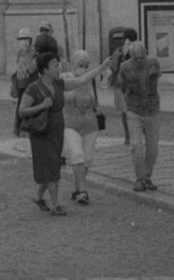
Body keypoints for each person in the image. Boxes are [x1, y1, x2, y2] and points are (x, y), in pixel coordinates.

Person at [20, 49, 113, 213]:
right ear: (46, 69)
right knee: (52, 167)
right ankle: (55, 205)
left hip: (57, 129)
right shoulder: (34, 88)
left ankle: (38, 198)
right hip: (41, 131)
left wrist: (102, 67)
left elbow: (83, 79)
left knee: (52, 166)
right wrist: (42, 105)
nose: (59, 68)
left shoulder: (60, 84)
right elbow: (22, 111)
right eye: (55, 65)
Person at [116, 38, 161, 192]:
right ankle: (140, 179)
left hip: (152, 109)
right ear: (131, 56)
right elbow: (121, 86)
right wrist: (129, 101)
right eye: (136, 58)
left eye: (142, 57)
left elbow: (157, 78)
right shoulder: (125, 67)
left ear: (146, 55)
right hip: (134, 109)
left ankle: (147, 176)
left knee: (153, 148)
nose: (139, 61)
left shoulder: (154, 62)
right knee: (136, 146)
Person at [62, 49, 102, 204]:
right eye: (81, 65)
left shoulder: (90, 81)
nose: (84, 69)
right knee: (77, 155)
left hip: (90, 125)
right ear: (73, 64)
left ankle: (76, 188)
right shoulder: (65, 78)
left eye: (86, 66)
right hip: (71, 124)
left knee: (87, 159)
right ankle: (83, 190)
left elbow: (94, 101)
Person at [108, 27, 138, 144]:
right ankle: (139, 134)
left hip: (121, 85)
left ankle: (127, 137)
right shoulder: (139, 49)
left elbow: (114, 68)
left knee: (124, 113)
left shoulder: (119, 51)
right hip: (135, 84)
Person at [9, 27, 36, 133]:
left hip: (30, 82)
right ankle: (19, 128)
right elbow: (18, 66)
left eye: (26, 39)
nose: (23, 42)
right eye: (21, 40)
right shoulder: (20, 52)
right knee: (20, 104)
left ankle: (28, 127)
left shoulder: (33, 52)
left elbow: (32, 69)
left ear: (30, 40)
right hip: (21, 82)